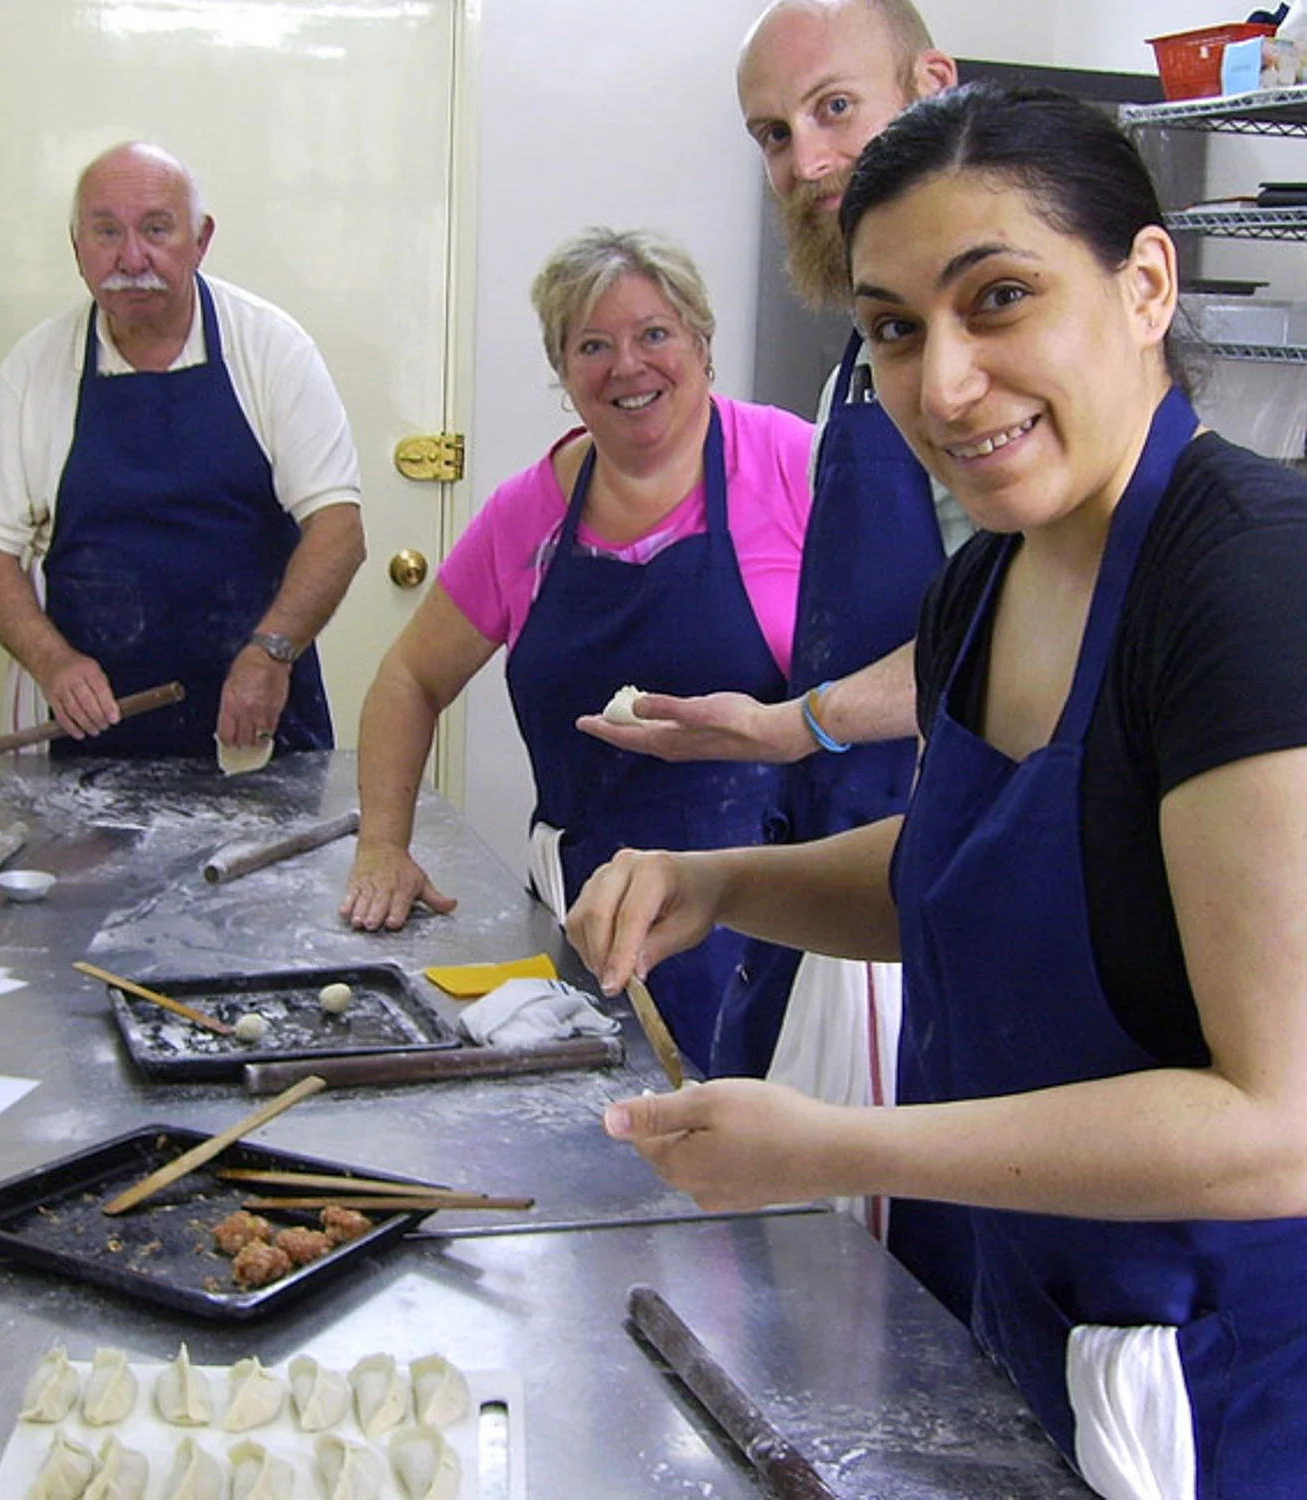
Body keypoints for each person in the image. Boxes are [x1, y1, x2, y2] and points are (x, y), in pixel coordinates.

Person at [569, 82, 1307, 1497]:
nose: (944, 383)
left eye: (1001, 298)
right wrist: (720, 887)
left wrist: (838, 1147)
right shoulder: (993, 581)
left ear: (1146, 283)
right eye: (896, 329)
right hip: (1030, 1308)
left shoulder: (1245, 581)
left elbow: (1278, 1125)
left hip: (1223, 1381)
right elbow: (976, 871)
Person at [578, 0, 962, 1089]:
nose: (806, 160)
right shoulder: (863, 351)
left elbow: (1019, 630)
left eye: (836, 108)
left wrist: (804, 724)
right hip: (840, 868)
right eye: (773, 134)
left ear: (932, 85)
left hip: (929, 884)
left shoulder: (963, 366)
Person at [340, 228, 813, 1070]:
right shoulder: (529, 513)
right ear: (563, 374)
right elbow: (410, 675)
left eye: (655, 334)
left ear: (703, 343)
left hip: (768, 921)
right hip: (584, 922)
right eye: (593, 345)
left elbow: (913, 670)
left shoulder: (792, 465)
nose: (627, 366)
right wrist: (383, 842)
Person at [0, 141, 365, 760]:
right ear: (76, 248)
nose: (131, 257)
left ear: (200, 240)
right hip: (83, 734)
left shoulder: (273, 350)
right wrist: (53, 662)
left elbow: (338, 529)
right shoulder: (34, 370)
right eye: (105, 232)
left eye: (155, 230)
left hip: (257, 723)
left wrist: (273, 651)